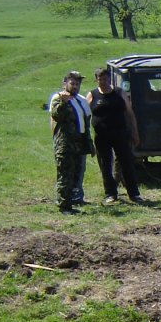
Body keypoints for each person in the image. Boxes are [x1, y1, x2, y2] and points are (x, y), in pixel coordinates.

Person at [87, 67, 145, 205]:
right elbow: (85, 114)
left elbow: (130, 113)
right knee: (105, 165)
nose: (103, 82)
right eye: (100, 79)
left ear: (109, 79)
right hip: (101, 137)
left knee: (127, 163)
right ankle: (111, 194)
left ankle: (134, 194)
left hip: (120, 134)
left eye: (105, 79)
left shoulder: (119, 93)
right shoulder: (92, 95)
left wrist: (135, 132)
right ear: (96, 80)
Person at [49, 70, 94, 214]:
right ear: (65, 84)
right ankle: (64, 206)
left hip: (79, 143)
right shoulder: (58, 98)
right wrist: (63, 101)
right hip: (65, 143)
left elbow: (86, 120)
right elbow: (56, 115)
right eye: (72, 83)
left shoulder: (81, 99)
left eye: (77, 83)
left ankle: (73, 201)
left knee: (76, 174)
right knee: (65, 175)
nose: (75, 86)